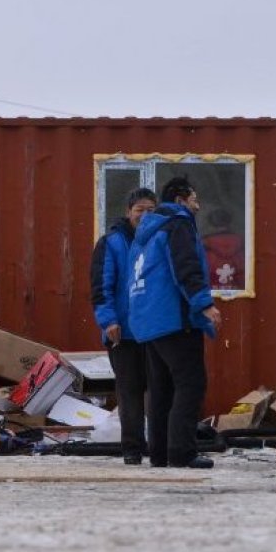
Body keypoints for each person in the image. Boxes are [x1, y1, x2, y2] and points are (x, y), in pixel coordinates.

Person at [128, 176, 222, 469]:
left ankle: (159, 454)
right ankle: (182, 452)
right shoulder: (178, 224)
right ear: (181, 200)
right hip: (174, 319)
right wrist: (204, 304)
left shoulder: (147, 232)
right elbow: (186, 266)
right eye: (194, 199)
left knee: (161, 391)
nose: (198, 205)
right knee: (190, 384)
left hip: (149, 322)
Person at [90, 187, 157, 465]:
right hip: (123, 332)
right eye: (139, 209)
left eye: (151, 210)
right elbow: (101, 287)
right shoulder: (112, 243)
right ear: (128, 212)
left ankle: (158, 445)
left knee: (157, 390)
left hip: (155, 330)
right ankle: (132, 448)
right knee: (129, 392)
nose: (145, 215)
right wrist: (108, 321)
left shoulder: (160, 241)